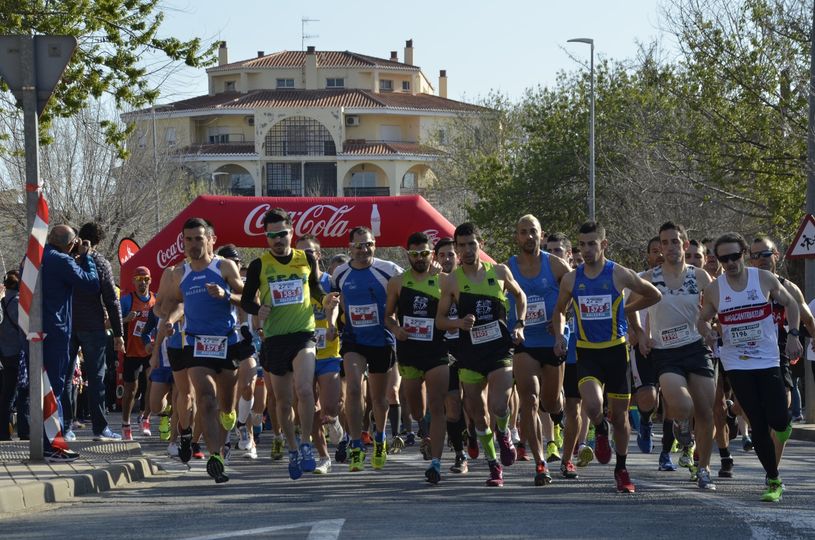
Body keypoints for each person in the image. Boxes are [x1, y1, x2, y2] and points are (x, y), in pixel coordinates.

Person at [552, 221, 662, 493]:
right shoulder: (571, 278)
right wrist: (558, 335)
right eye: (582, 245)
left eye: (592, 244)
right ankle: (600, 430)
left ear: (603, 244)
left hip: (616, 351)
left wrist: (626, 308)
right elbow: (559, 311)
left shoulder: (619, 274)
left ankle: (621, 469)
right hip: (587, 352)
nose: (586, 250)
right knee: (591, 405)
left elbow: (654, 294)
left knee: (622, 418)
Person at [697, 232, 802, 502]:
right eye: (724, 258)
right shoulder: (715, 289)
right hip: (737, 363)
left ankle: (776, 447)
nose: (730, 263)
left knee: (780, 420)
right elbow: (703, 319)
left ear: (744, 254)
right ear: (717, 260)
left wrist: (793, 336)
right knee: (757, 422)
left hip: (768, 359)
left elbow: (791, 303)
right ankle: (773, 479)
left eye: (735, 256)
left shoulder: (764, 279)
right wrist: (707, 332)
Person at [436, 222, 527, 487]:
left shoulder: (498, 272)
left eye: (471, 244)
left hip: (499, 350)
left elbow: (520, 297)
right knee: (477, 414)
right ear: (456, 248)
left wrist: (519, 324)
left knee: (499, 406)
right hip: (470, 355)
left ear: (481, 245)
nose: (466, 250)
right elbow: (440, 321)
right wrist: (458, 323)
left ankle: (506, 433)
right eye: (461, 245)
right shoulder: (452, 281)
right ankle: (493, 464)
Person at [161, 218, 250, 483]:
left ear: (211, 239)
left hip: (227, 342)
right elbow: (179, 303)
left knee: (225, 407)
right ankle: (215, 457)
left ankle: (226, 436)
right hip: (197, 344)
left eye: (199, 238)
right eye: (188, 239)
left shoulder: (224, 266)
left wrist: (226, 295)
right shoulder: (180, 273)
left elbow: (247, 298)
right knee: (206, 398)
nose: (193, 244)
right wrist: (170, 321)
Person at [241, 208, 326, 480]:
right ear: (266, 237)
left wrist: (327, 301)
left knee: (304, 389)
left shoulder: (306, 258)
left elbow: (315, 289)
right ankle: (291, 448)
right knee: (283, 401)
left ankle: (306, 445)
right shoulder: (259, 264)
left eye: (282, 234)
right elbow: (245, 300)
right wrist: (258, 309)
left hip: (303, 333)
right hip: (275, 338)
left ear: (292, 232)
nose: (278, 240)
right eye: (271, 235)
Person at [639, 222, 717, 489]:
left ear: (685, 244)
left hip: (696, 348)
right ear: (659, 247)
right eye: (665, 242)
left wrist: (711, 328)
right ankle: (681, 427)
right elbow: (626, 307)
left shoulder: (701, 277)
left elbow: (717, 307)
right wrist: (640, 334)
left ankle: (704, 468)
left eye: (675, 241)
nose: (670, 246)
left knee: (706, 412)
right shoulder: (649, 278)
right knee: (683, 406)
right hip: (666, 352)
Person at [331, 227, 403, 472]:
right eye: (359, 246)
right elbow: (332, 300)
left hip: (382, 339)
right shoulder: (340, 273)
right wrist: (331, 323)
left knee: (378, 397)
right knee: (352, 388)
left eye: (369, 245)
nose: (364, 250)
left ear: (375, 245)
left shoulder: (389, 269)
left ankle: (380, 438)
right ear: (349, 247)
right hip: (353, 339)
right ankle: (355, 444)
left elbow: (413, 284)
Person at [508, 216, 572, 485]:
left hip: (552, 342)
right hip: (525, 344)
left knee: (551, 402)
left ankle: (559, 418)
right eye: (523, 232)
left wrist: (561, 315)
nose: (528, 236)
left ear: (541, 234)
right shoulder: (508, 267)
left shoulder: (555, 263)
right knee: (530, 402)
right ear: (517, 237)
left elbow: (574, 291)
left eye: (532, 231)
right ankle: (540, 462)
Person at [385, 231, 450, 484]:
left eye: (424, 253)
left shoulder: (444, 281)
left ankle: (436, 463)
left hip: (437, 350)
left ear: (431, 253)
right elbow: (388, 315)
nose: (420, 258)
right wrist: (396, 329)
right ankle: (425, 432)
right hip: (410, 351)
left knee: (437, 404)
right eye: (415, 254)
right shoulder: (398, 282)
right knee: (416, 409)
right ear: (408, 255)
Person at [41, 224, 100, 462]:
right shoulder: (63, 261)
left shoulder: (36, 255)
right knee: (53, 388)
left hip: (36, 330)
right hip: (56, 330)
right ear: (71, 244)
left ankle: (48, 442)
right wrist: (86, 258)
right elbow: (91, 284)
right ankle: (53, 446)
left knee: (42, 388)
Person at [69, 222, 124, 442]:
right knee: (97, 378)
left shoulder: (68, 260)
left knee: (65, 378)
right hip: (93, 325)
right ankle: (100, 429)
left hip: (68, 324)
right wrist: (119, 333)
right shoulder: (100, 262)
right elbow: (111, 299)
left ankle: (64, 428)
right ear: (99, 240)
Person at [120, 266, 156, 440]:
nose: (143, 283)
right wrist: (125, 320)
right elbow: (110, 322)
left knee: (151, 383)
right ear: (134, 281)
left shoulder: (155, 301)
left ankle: (145, 418)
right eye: (139, 279)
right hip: (132, 351)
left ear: (150, 280)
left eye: (146, 279)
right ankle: (126, 425)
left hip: (149, 350)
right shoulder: (127, 300)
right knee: (131, 389)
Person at [0, 270, 25, 440]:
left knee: (7, 393)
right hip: (18, 353)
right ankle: (25, 429)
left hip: (4, 353)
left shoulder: (2, 302)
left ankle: (4, 431)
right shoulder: (18, 303)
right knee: (23, 393)